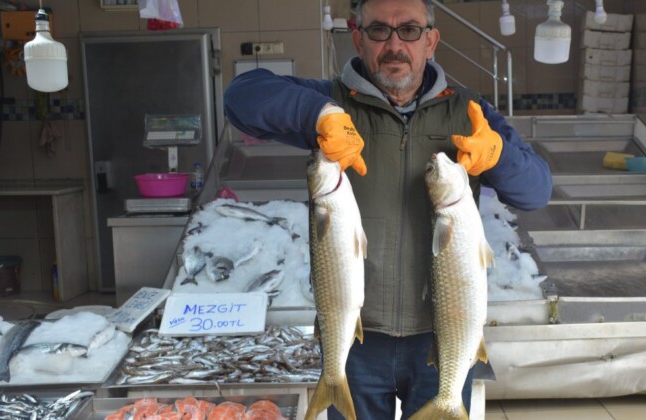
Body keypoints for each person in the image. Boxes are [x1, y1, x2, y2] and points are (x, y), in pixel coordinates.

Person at [224, 0, 552, 418]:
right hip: (356, 336)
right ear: (357, 38)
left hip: (447, 329)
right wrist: (319, 113)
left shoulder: (469, 113)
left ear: (431, 41)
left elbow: (536, 192)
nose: (395, 44)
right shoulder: (331, 102)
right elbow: (240, 98)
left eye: (410, 30)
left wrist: (500, 155)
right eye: (379, 30)